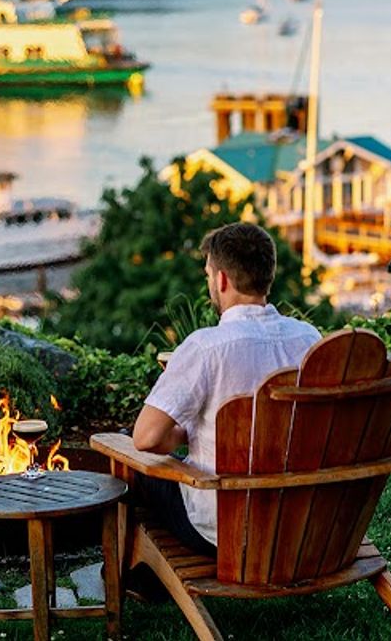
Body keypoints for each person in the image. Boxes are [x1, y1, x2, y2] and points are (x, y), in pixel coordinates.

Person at [131, 222, 321, 555]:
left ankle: (137, 579)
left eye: (208, 275)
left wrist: (184, 432)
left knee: (131, 460)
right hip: (298, 523)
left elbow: (146, 438)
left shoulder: (206, 348)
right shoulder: (308, 339)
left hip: (225, 532)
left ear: (221, 279)